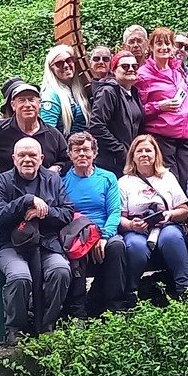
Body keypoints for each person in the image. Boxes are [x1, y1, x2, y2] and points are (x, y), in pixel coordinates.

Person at [0, 138, 75, 340]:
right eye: (22, 155)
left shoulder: (53, 179)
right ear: (14, 158)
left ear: (41, 159)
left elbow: (67, 213)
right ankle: (15, 328)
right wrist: (26, 201)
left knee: (61, 271)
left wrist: (43, 212)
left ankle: (47, 324)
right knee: (19, 277)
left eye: (32, 155)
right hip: (12, 245)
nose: (27, 159)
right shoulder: (2, 181)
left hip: (47, 243)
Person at [118, 135, 188, 300]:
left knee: (172, 238)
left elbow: (184, 210)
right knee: (135, 247)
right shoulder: (124, 182)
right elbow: (120, 218)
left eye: (148, 150)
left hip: (165, 226)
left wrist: (170, 214)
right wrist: (131, 225)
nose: (144, 154)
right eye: (139, 151)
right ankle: (131, 296)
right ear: (132, 156)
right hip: (138, 229)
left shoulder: (167, 177)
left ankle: (186, 293)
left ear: (155, 154)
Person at [61, 132, 129, 316]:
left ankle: (115, 306)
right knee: (75, 251)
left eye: (86, 150)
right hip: (78, 233)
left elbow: (114, 210)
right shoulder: (63, 181)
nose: (82, 154)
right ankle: (78, 310)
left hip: (104, 231)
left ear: (94, 153)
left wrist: (105, 236)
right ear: (70, 154)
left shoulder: (108, 178)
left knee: (116, 247)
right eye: (77, 151)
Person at [138, 27, 188, 184]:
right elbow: (136, 110)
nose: (164, 48)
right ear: (151, 47)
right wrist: (159, 106)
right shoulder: (143, 74)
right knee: (171, 181)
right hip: (161, 136)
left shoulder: (178, 70)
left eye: (168, 43)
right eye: (159, 43)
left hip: (184, 135)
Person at [0, 78, 69, 173]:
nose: (27, 105)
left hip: (45, 190)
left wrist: (57, 167)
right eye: (22, 100)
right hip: (6, 190)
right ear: (13, 105)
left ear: (39, 104)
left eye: (31, 100)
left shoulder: (53, 134)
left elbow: (67, 159)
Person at [87, 50, 143, 174]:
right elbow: (97, 126)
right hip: (111, 161)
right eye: (125, 66)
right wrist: (120, 150)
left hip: (129, 159)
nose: (131, 69)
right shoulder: (108, 91)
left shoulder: (133, 92)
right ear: (114, 70)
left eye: (134, 66)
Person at [39, 44, 91, 135]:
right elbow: (48, 134)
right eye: (59, 64)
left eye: (69, 60)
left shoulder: (78, 90)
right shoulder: (51, 96)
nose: (66, 65)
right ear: (51, 69)